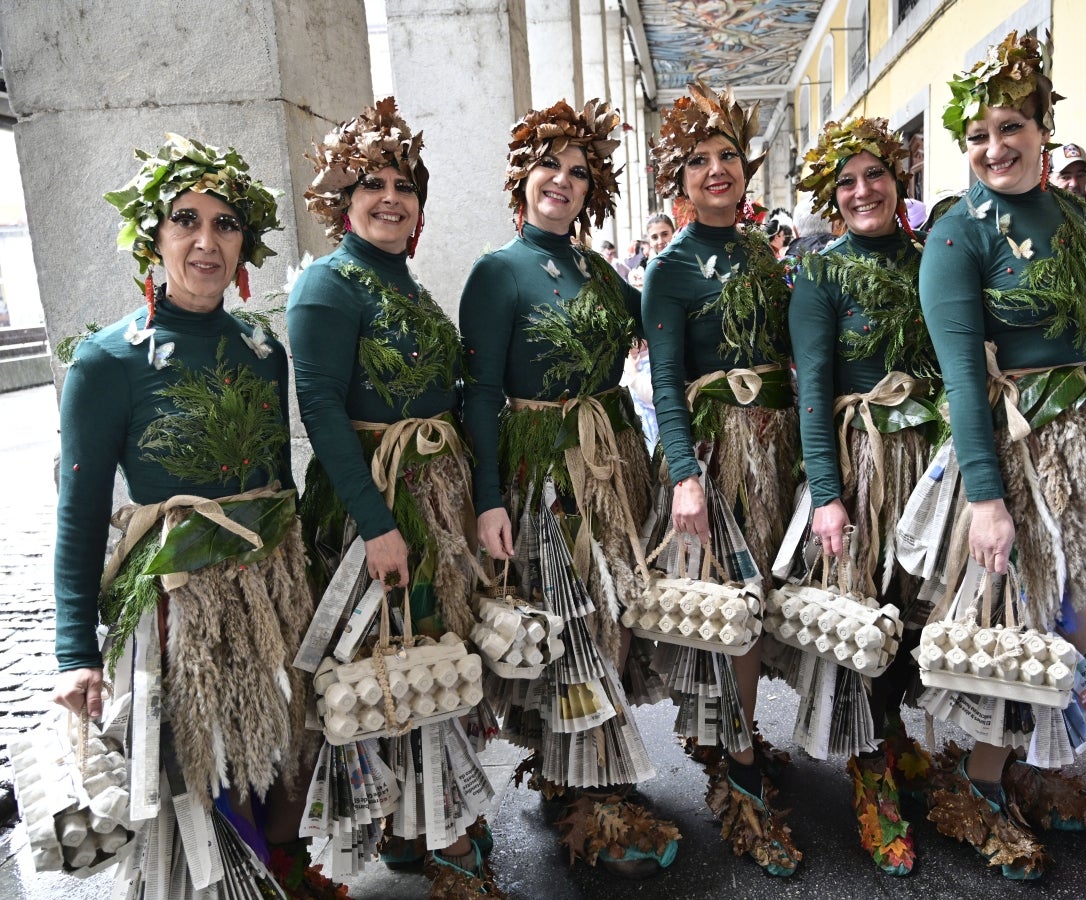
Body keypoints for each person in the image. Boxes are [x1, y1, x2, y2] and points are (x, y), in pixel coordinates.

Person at [910, 31, 1086, 879]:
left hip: (1081, 445)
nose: (994, 147)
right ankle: (975, 787)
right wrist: (986, 499)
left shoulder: (1073, 217)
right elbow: (960, 379)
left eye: (1010, 127)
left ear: (1043, 130)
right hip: (1011, 458)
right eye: (978, 134)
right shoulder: (955, 235)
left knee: (1079, 614)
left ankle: (1021, 765)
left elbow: (1082, 320)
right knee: (1022, 626)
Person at [53, 134, 310, 887]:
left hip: (269, 589)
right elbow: (80, 511)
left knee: (286, 763)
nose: (206, 241)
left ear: (245, 245)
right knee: (208, 779)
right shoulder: (107, 361)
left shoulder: (264, 350)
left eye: (225, 224)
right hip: (177, 600)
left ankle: (288, 878)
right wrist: (74, 651)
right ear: (153, 238)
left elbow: (280, 482)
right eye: (185, 221)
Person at [460, 97, 680, 880]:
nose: (562, 179)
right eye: (548, 165)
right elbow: (479, 395)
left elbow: (660, 322)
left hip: (611, 463)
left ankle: (591, 771)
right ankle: (577, 785)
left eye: (579, 171)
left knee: (612, 617)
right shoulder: (495, 272)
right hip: (544, 471)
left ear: (594, 190)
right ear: (522, 179)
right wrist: (489, 497)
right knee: (567, 620)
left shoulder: (595, 270)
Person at [288, 98, 499, 895]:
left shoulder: (403, 281)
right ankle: (434, 835)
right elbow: (321, 411)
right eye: (371, 183)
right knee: (392, 661)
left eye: (404, 184)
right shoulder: (327, 284)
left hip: (433, 496)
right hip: (374, 502)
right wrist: (376, 526)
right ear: (340, 199)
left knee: (427, 654)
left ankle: (421, 825)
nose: (390, 197)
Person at [644, 79, 801, 877]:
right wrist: (684, 475)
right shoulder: (669, 268)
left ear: (747, 168)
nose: (717, 169)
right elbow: (666, 382)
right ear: (680, 180)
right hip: (719, 455)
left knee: (768, 604)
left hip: (779, 449)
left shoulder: (763, 254)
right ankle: (739, 776)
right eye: (700, 159)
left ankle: (734, 738)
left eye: (728, 155)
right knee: (737, 612)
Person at [789, 115, 941, 876]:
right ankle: (870, 772)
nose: (862, 191)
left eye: (874, 174)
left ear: (897, 177)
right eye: (845, 182)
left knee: (920, 616)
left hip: (932, 464)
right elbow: (812, 390)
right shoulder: (821, 274)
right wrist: (828, 494)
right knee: (867, 619)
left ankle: (897, 733)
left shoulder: (934, 258)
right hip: (863, 466)